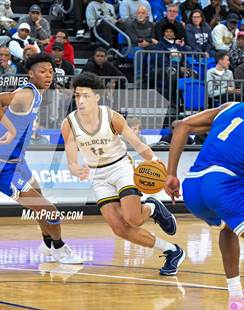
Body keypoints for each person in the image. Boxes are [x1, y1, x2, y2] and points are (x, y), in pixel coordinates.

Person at [61, 72, 185, 275]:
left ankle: (152, 208)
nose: (80, 100)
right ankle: (172, 251)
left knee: (133, 219)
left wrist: (153, 160)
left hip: (121, 167)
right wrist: (73, 165)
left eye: (86, 96)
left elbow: (136, 143)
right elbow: (71, 148)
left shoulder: (111, 117)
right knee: (119, 228)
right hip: (98, 175)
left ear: (97, 97)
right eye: (77, 96)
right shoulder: (69, 123)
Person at [0, 53, 83, 264]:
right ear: (31, 74)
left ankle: (47, 244)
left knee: (40, 199)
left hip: (18, 162)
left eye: (51, 72)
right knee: (48, 209)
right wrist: (9, 130)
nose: (48, 75)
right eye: (42, 71)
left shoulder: (36, 94)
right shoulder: (28, 94)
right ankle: (61, 248)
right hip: (2, 169)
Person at [164, 102, 244, 309]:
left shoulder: (230, 107)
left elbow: (182, 125)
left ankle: (236, 296)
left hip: (193, 188)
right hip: (222, 183)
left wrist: (171, 174)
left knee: (228, 228)